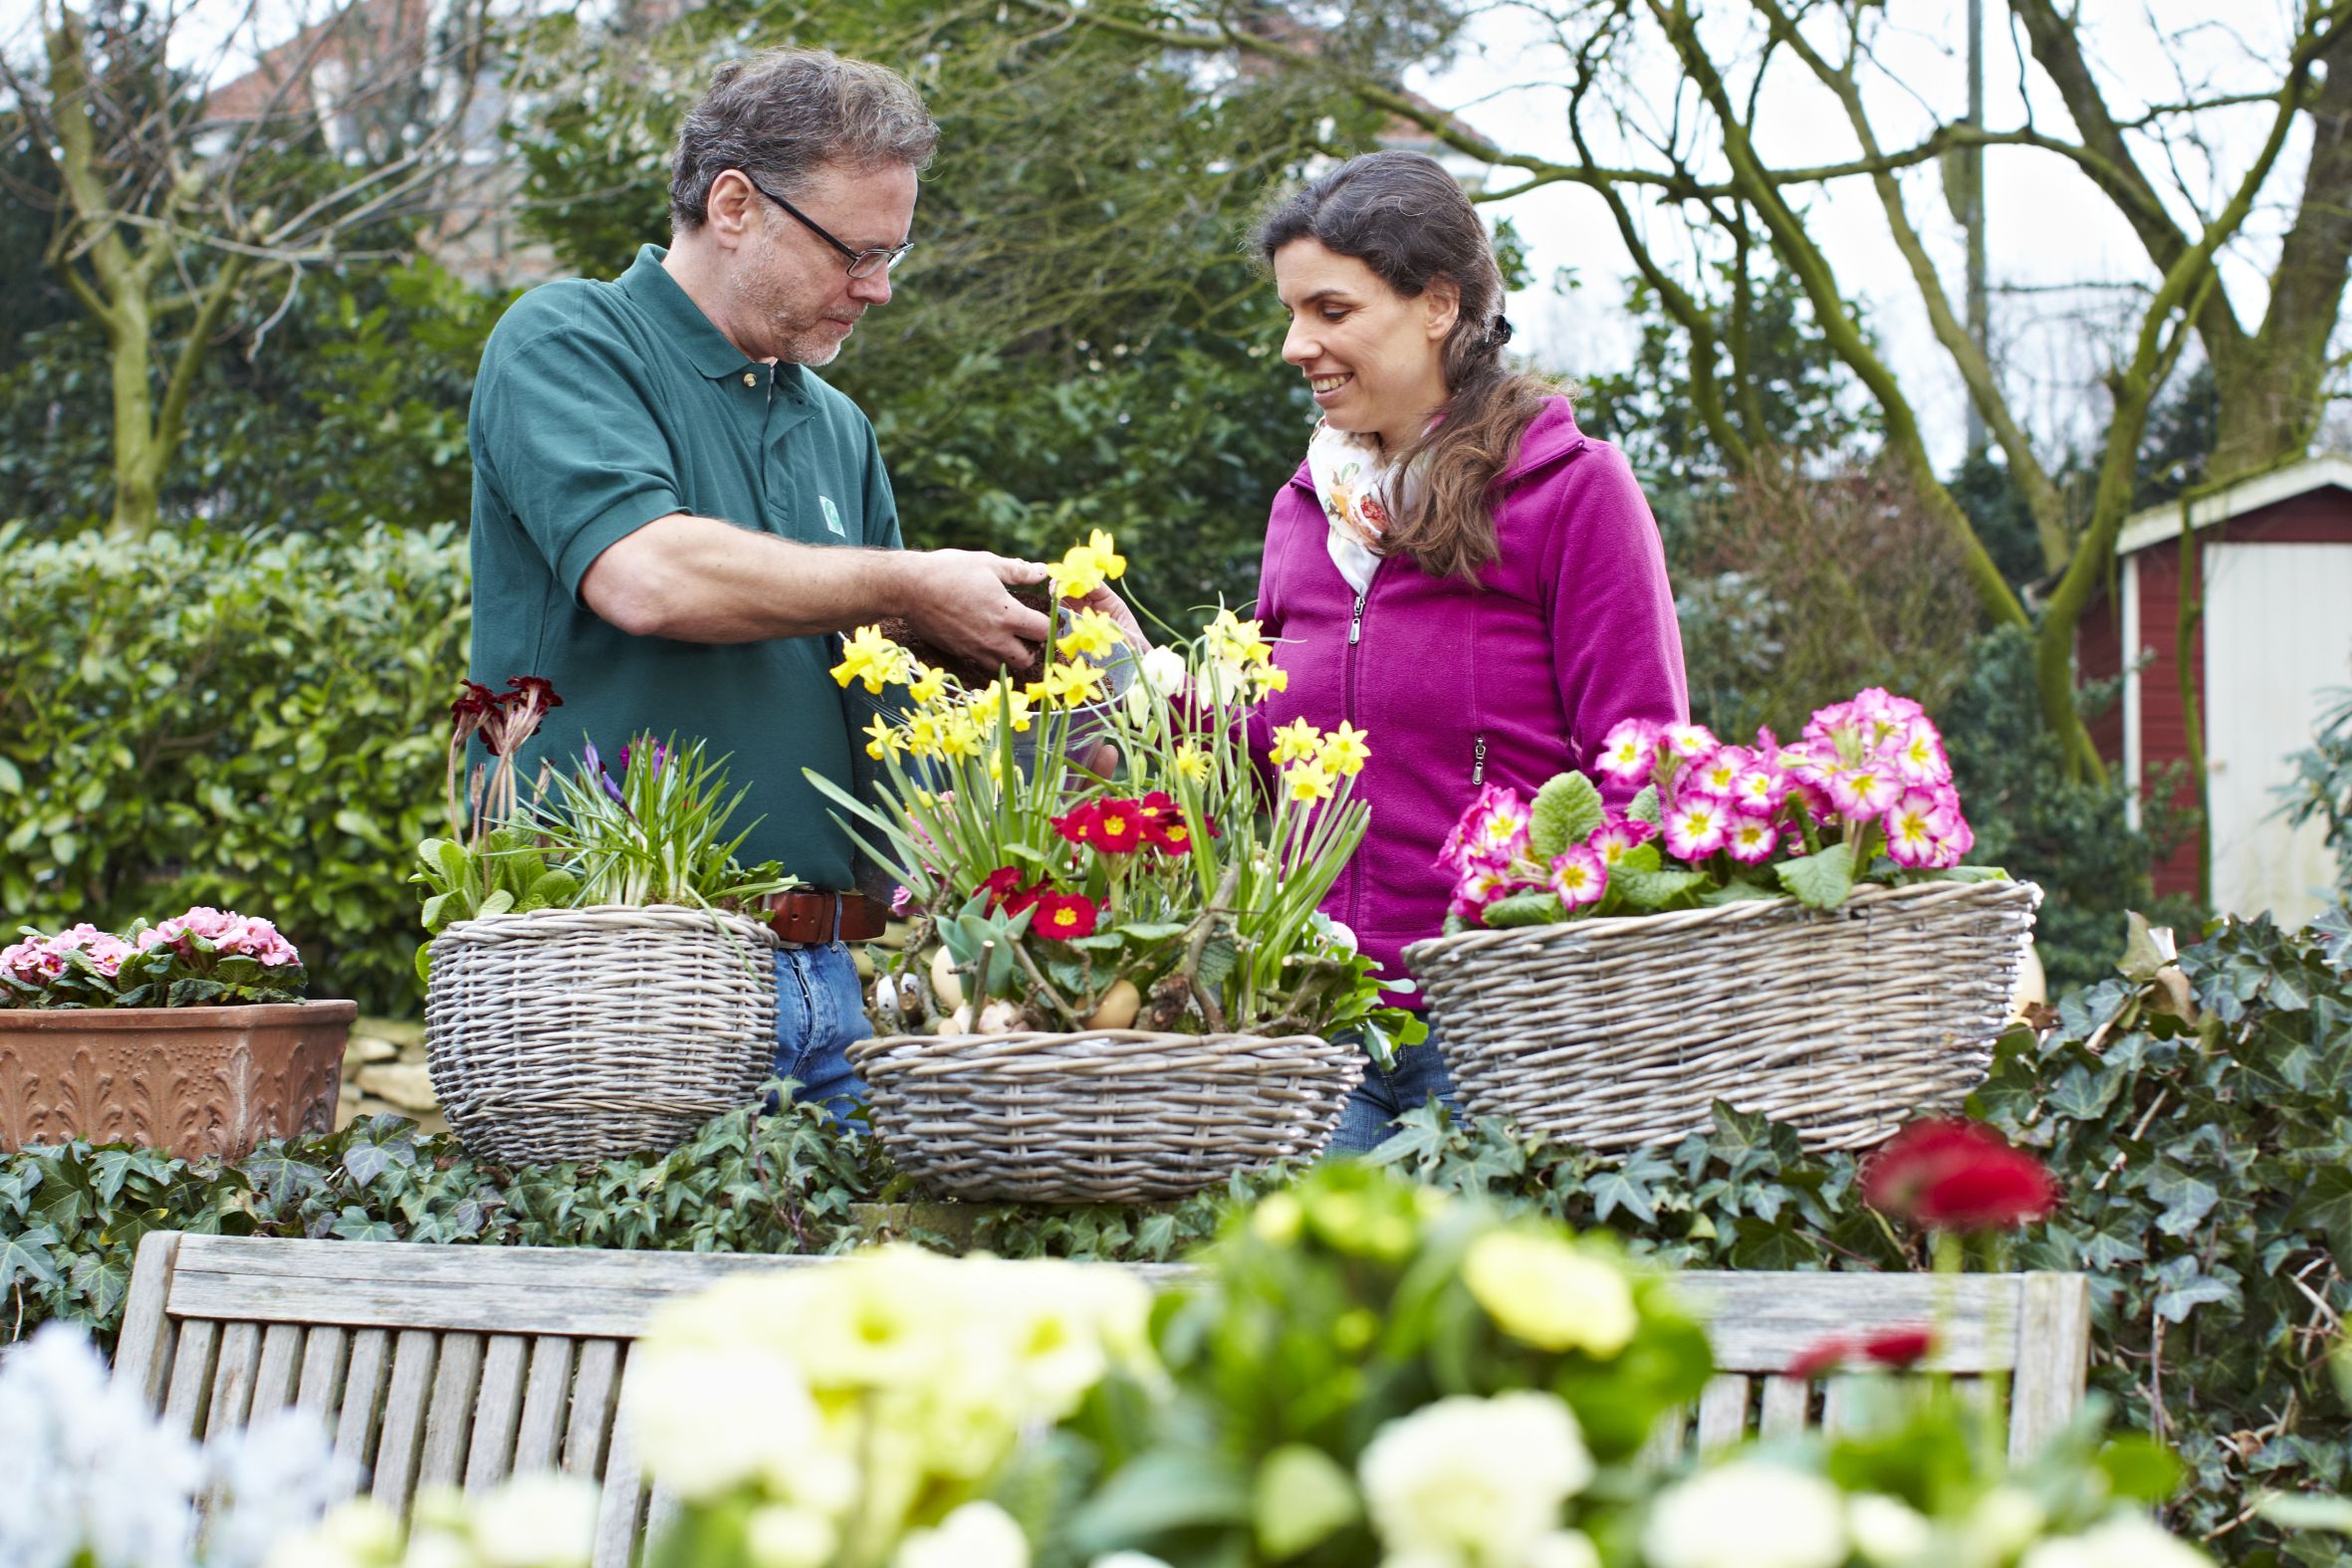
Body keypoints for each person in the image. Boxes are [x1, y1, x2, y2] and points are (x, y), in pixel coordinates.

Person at [468, 49, 1063, 1117]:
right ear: (734, 203)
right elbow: (645, 575)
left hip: (841, 983)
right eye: (856, 253)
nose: (876, 287)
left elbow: (888, 714)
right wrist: (911, 581)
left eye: (893, 255)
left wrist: (1045, 663)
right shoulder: (568, 339)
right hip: (630, 976)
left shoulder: (837, 427)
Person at [1251, 150, 1690, 1156]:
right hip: (1321, 1020)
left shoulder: (1572, 491)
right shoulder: (1304, 508)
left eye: (1330, 310)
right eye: (1288, 313)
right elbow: (1273, 746)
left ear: (1438, 304)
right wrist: (1126, 689)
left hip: (1499, 1023)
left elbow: (1642, 759)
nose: (1294, 344)